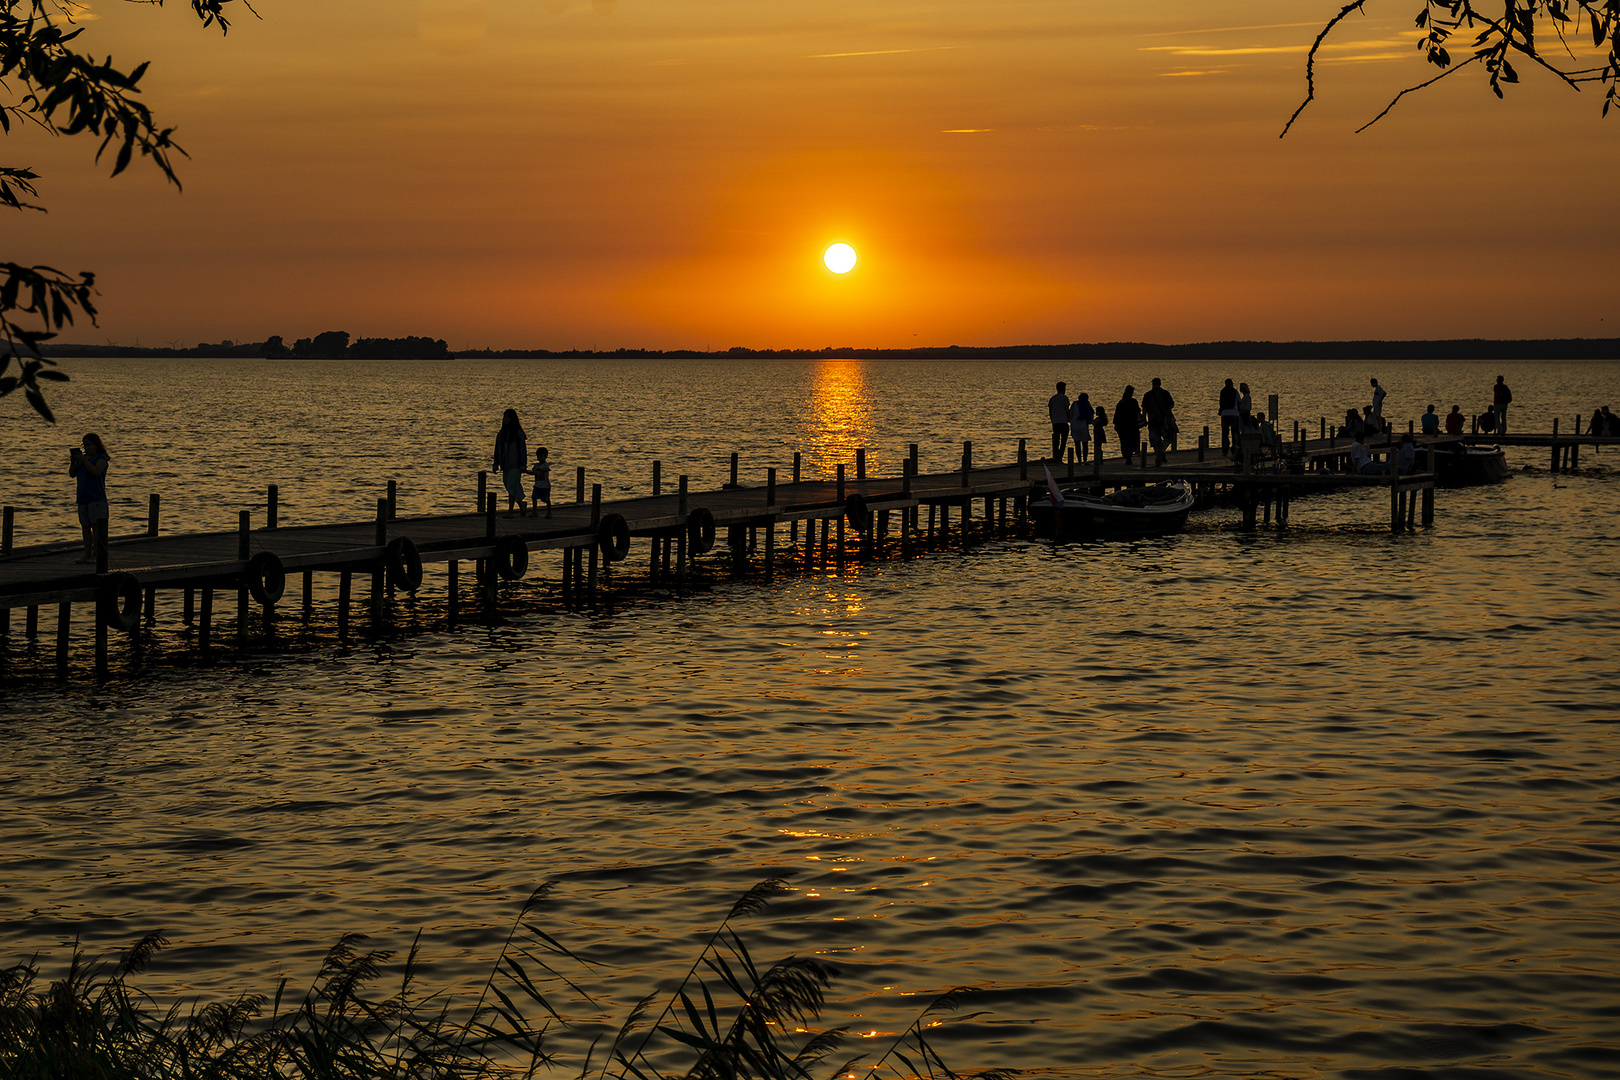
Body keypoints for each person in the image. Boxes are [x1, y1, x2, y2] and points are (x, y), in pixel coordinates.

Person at [68, 432, 110, 564]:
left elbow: (96, 472)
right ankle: (87, 554)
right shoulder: (82, 460)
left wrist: (84, 460)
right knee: (85, 527)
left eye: (88, 445)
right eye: (83, 445)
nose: (85, 448)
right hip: (82, 498)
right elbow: (72, 474)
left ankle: (96, 555)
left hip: (96, 498)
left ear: (95, 445)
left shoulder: (101, 458)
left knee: (96, 527)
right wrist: (73, 463)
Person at [493, 408, 528, 517]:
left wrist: (523, 465)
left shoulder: (518, 434)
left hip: (515, 465)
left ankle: (511, 511)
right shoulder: (501, 433)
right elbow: (497, 449)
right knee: (509, 486)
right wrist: (496, 463)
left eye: (508, 417)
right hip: (505, 465)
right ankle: (521, 506)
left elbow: (522, 450)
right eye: (504, 416)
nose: (505, 419)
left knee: (512, 486)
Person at [1142, 377, 1175, 466]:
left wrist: (1144, 419)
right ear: (1160, 384)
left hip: (1152, 420)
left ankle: (1159, 455)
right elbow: (1171, 405)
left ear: (1152, 384)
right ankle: (1161, 452)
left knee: (1155, 440)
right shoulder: (1165, 393)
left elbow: (1144, 409)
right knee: (1169, 437)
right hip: (1164, 421)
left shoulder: (1147, 395)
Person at [1113, 385, 1143, 461]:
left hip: (1123, 426)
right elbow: (1137, 412)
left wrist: (1116, 424)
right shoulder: (1133, 402)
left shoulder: (1121, 402)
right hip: (1132, 425)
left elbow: (1117, 414)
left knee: (1124, 442)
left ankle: (1127, 456)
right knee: (1132, 441)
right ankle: (1129, 455)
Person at [1047, 381, 1071, 463]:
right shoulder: (1065, 398)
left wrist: (1052, 420)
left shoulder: (1052, 399)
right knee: (1063, 441)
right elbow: (1067, 410)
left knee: (1056, 441)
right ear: (1063, 389)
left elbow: (1050, 411)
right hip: (1063, 422)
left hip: (1056, 422)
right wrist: (1069, 418)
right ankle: (1060, 457)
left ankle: (1056, 457)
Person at [1068, 392, 1094, 462]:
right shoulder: (1087, 405)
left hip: (1075, 425)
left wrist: (1070, 421)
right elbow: (1091, 414)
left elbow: (1070, 414)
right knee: (1085, 444)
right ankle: (1085, 460)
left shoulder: (1074, 404)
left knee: (1077, 443)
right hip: (1084, 426)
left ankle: (1079, 460)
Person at [528, 446, 552, 518]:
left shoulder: (545, 465)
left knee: (546, 499)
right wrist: (526, 472)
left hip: (545, 486)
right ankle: (535, 512)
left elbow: (546, 469)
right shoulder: (536, 465)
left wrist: (540, 470)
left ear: (545, 457)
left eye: (541, 456)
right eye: (538, 456)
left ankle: (549, 513)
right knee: (534, 498)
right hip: (537, 485)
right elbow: (533, 472)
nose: (539, 458)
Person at [1218, 378, 1239, 455]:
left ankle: (1225, 450)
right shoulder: (1235, 391)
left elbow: (1221, 403)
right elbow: (1239, 402)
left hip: (1224, 413)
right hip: (1234, 414)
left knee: (1225, 433)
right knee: (1235, 433)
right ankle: (1234, 449)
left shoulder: (1222, 391)